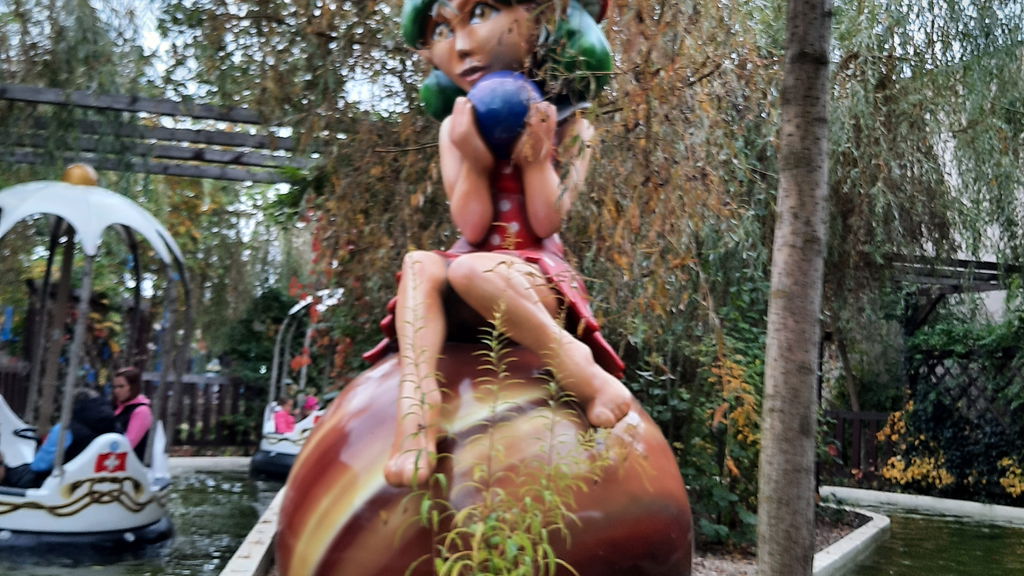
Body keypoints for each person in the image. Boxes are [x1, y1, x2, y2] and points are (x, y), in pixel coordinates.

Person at [364, 0, 634, 487]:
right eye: (442, 29)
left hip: (534, 276)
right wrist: (473, 158)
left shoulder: (575, 127)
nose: (462, 45)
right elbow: (472, 228)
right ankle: (417, 414)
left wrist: (536, 158)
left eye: (480, 13)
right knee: (421, 265)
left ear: (546, 22)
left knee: (474, 272)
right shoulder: (454, 128)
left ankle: (579, 368)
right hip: (473, 263)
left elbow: (546, 220)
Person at [0, 387, 116, 489]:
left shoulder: (65, 430)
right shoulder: (112, 429)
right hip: (91, 483)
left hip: (56, 484)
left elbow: (40, 465)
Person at [112, 366, 153, 460]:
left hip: (130, 462)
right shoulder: (115, 406)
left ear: (133, 387)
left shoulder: (141, 411)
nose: (116, 391)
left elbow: (128, 444)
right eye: (115, 387)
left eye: (121, 386)